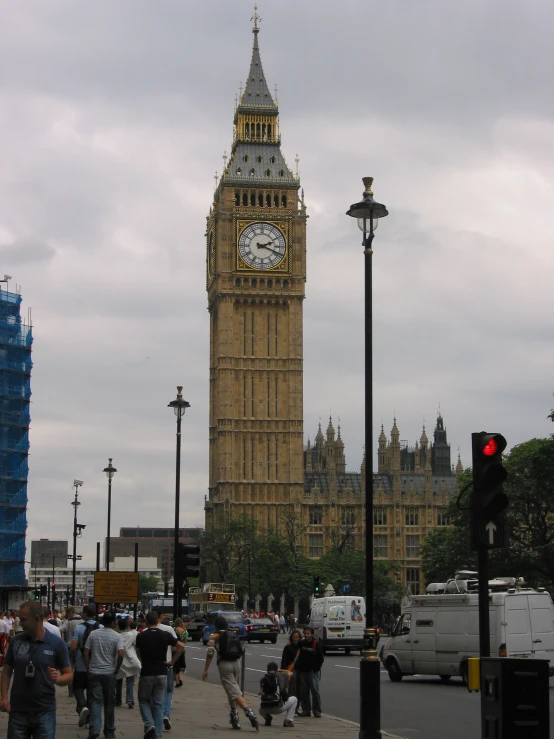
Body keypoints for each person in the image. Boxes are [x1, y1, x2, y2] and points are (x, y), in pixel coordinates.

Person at [0, 600, 72, 739]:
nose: (20, 623)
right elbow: (7, 671)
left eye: (24, 620)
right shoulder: (16, 641)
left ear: (37, 619)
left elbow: (68, 675)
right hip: (18, 711)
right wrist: (3, 697)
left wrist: (57, 679)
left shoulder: (56, 644)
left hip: (44, 711)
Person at [202, 614, 258, 731]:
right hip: (236, 663)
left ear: (216, 625)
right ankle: (234, 717)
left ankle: (249, 712)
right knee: (232, 690)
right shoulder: (233, 633)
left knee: (234, 692)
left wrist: (206, 669)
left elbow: (210, 653)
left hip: (224, 664)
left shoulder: (215, 636)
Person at [136, 611, 183, 739]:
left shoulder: (141, 636)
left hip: (147, 672)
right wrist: (172, 661)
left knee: (143, 700)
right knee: (158, 704)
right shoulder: (165, 635)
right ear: (157, 621)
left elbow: (138, 652)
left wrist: (142, 661)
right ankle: (158, 734)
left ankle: (149, 724)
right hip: (162, 672)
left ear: (146, 622)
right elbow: (180, 646)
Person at [84, 611, 124, 739]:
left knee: (95, 701)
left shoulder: (93, 634)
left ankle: (94, 729)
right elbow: (121, 654)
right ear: (113, 622)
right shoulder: (116, 636)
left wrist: (88, 667)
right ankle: (109, 730)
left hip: (94, 672)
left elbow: (86, 651)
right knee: (109, 703)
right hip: (109, 673)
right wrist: (116, 668)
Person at [71, 604, 100, 728]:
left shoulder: (79, 628)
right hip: (96, 666)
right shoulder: (101, 627)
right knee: (92, 693)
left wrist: (74, 657)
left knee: (77, 688)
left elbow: (73, 647)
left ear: (85, 614)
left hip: (81, 665)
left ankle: (82, 707)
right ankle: (89, 721)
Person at [155, 611, 178, 730]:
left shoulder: (147, 630)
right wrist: (173, 660)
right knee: (168, 691)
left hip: (152, 665)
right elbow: (176, 647)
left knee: (155, 693)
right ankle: (166, 714)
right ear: (161, 617)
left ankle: (155, 718)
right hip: (167, 663)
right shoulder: (168, 629)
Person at [259, 660, 297, 728]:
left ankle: (267, 718)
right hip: (279, 707)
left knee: (260, 709)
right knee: (294, 699)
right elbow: (290, 673)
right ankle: (288, 721)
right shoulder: (281, 676)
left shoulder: (263, 679)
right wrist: (281, 670)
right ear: (276, 670)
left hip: (264, 708)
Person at [295, 626, 324, 718]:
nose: (306, 635)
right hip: (302, 671)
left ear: (311, 634)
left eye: (308, 633)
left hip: (312, 672)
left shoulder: (316, 644)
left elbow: (320, 658)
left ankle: (317, 710)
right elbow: (297, 655)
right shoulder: (301, 643)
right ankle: (306, 710)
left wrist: (316, 668)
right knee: (304, 692)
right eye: (305, 633)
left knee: (315, 691)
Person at [115, 616, 141, 708]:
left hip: (120, 661)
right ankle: (130, 699)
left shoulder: (117, 636)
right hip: (131, 660)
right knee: (130, 681)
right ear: (127, 626)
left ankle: (117, 700)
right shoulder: (132, 635)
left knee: (118, 681)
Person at [60, 606, 82, 698]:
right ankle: (79, 688)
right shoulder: (82, 622)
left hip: (69, 647)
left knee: (70, 669)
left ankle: (71, 691)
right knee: (79, 668)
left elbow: (60, 629)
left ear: (70, 613)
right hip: (80, 648)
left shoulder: (68, 622)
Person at [172, 617, 188, 688]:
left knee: (176, 665)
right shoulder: (185, 631)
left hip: (175, 648)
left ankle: (178, 681)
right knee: (182, 665)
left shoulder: (174, 629)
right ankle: (180, 679)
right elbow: (185, 641)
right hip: (182, 648)